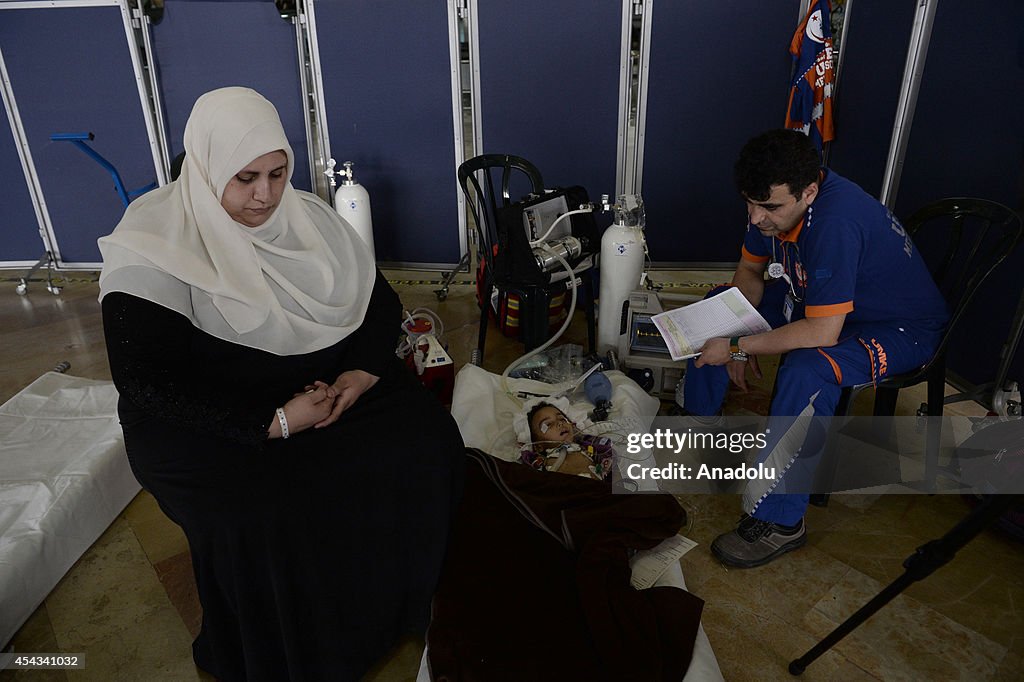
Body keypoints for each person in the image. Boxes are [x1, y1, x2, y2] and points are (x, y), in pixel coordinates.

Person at [98, 87, 464, 681]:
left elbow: (378, 307)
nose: (265, 195)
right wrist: (270, 423)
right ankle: (301, 654)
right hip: (204, 417)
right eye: (244, 178)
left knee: (426, 442)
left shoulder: (309, 219)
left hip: (316, 385)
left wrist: (364, 371)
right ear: (205, 166)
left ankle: (398, 607)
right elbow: (145, 381)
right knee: (264, 514)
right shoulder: (153, 239)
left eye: (277, 172)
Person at [684, 129, 948, 568]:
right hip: (826, 306)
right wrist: (739, 327)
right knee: (719, 304)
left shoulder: (836, 223)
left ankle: (782, 522)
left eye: (769, 207)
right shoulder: (774, 205)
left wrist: (738, 345)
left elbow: (823, 333)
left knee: (808, 369)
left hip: (898, 328)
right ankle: (700, 424)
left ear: (809, 191)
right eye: (748, 202)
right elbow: (747, 275)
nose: (755, 218)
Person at [513, 397, 615, 480]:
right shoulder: (540, 462)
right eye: (548, 424)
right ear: (538, 446)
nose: (559, 423)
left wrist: (606, 465)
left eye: (562, 419)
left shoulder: (587, 448)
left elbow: (608, 458)